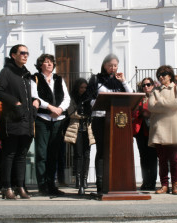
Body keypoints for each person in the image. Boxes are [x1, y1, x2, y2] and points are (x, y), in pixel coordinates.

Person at [0, 44, 39, 199]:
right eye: (22, 53)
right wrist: (15, 103)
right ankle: (6, 188)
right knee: (9, 154)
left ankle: (20, 187)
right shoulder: (6, 71)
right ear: (13, 55)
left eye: (27, 53)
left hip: (27, 120)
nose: (25, 55)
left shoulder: (27, 74)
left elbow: (32, 95)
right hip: (12, 119)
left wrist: (36, 103)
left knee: (22, 155)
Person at [88, 53, 133, 194]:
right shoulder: (96, 79)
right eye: (110, 65)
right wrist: (99, 103)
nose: (113, 68)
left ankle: (117, 181)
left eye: (115, 65)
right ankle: (101, 184)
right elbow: (89, 98)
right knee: (102, 150)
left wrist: (124, 81)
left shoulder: (119, 81)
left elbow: (131, 95)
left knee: (117, 150)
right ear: (104, 65)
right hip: (100, 119)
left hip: (118, 121)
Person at [31, 54, 70, 196]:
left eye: (51, 62)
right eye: (46, 62)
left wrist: (59, 109)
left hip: (58, 120)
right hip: (42, 119)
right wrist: (50, 108)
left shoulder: (59, 79)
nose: (50, 65)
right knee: (41, 154)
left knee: (53, 153)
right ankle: (42, 186)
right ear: (40, 64)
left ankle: (51, 185)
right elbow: (35, 97)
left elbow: (67, 98)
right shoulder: (35, 78)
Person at [148, 65, 177, 195]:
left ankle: (176, 185)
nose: (161, 77)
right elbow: (151, 107)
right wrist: (168, 106)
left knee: (175, 158)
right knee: (162, 159)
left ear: (170, 75)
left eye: (163, 74)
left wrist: (160, 101)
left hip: (174, 127)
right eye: (159, 75)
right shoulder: (155, 90)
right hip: (159, 128)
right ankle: (164, 185)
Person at [64, 78, 95, 195]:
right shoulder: (72, 98)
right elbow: (71, 113)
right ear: (77, 88)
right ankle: (78, 179)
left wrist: (85, 114)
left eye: (85, 87)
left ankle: (85, 179)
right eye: (81, 87)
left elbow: (92, 111)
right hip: (76, 129)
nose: (83, 90)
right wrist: (83, 115)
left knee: (87, 154)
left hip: (87, 129)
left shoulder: (89, 99)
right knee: (78, 154)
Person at [133, 77, 157, 190]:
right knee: (143, 157)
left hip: (152, 130)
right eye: (144, 85)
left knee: (152, 157)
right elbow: (134, 112)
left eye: (148, 84)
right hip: (140, 130)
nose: (146, 87)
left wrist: (147, 112)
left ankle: (152, 182)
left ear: (152, 85)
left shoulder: (156, 97)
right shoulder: (139, 98)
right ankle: (145, 181)